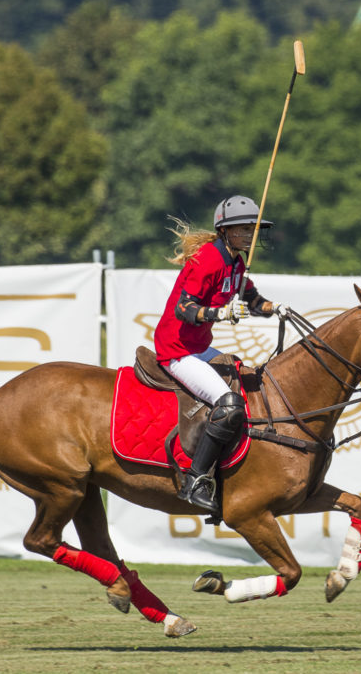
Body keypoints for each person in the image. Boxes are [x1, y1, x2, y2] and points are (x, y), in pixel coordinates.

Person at [154, 195, 286, 514]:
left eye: (253, 229)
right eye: (245, 229)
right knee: (229, 404)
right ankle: (196, 480)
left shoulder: (236, 263)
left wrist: (275, 308)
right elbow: (184, 308)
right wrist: (220, 314)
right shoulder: (207, 260)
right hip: (177, 349)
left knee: (245, 378)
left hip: (199, 347)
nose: (251, 234)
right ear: (225, 230)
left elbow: (253, 300)